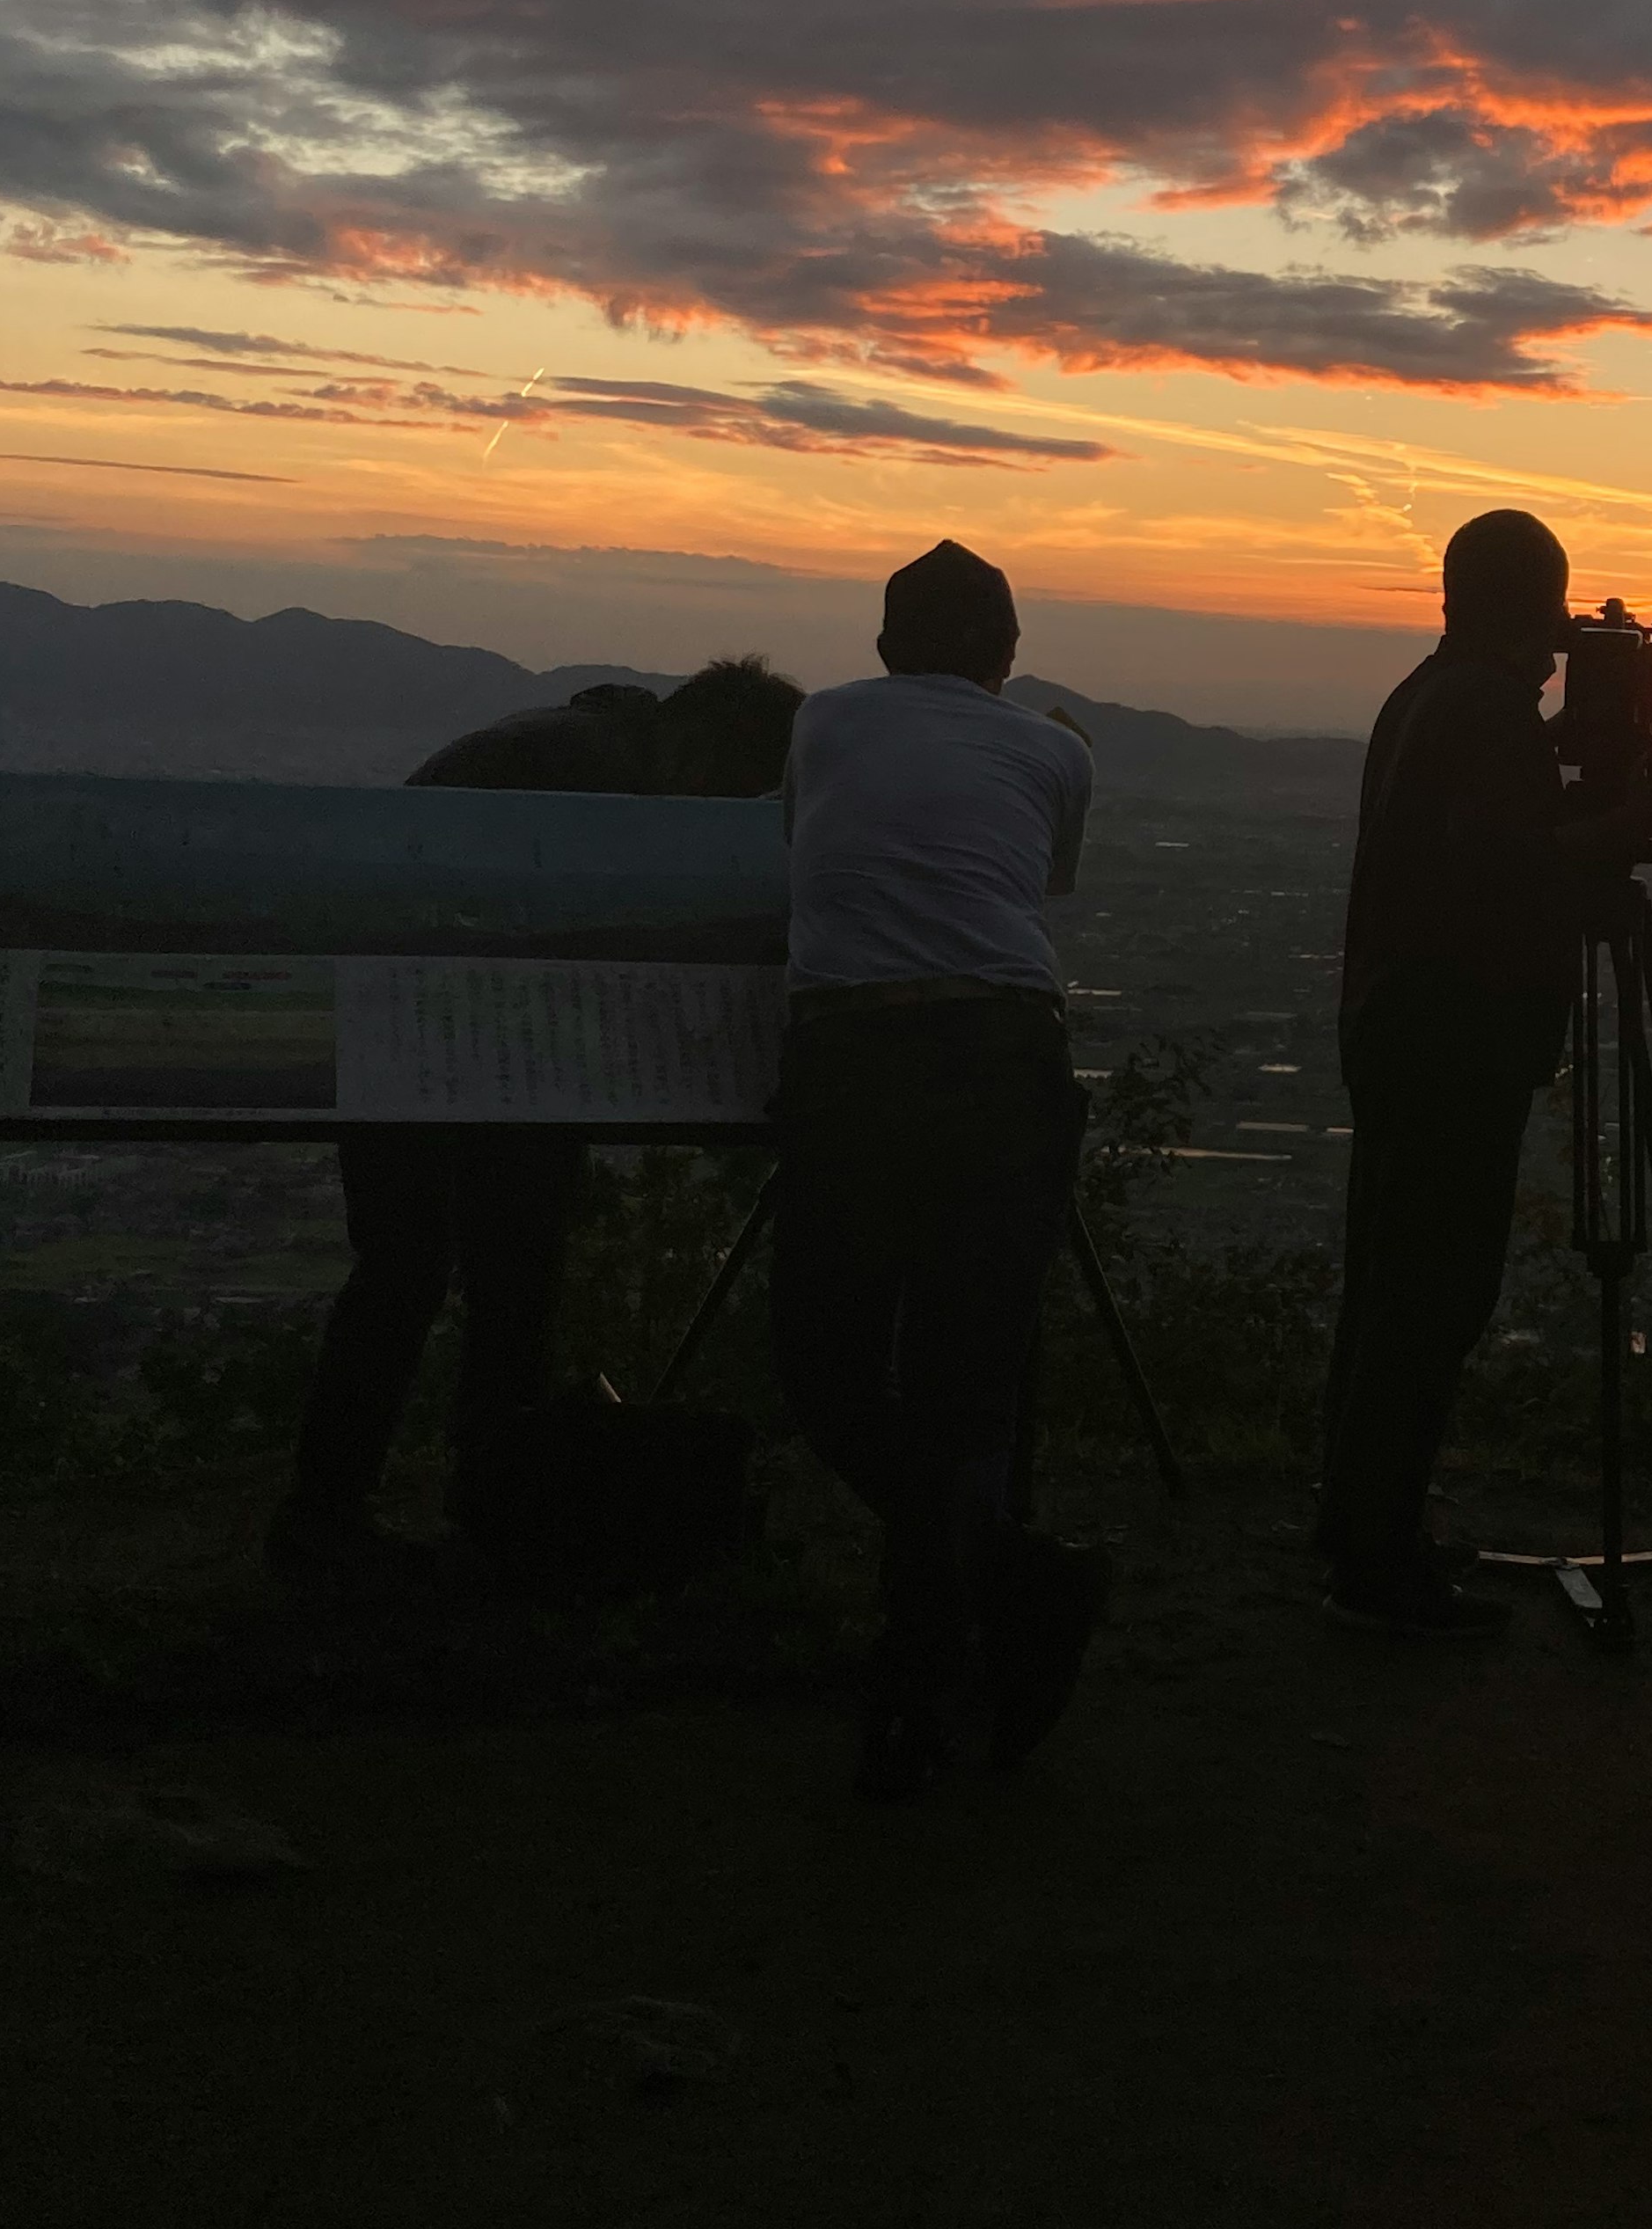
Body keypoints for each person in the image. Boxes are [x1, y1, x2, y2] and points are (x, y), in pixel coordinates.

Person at [269, 654, 802, 1588]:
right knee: (440, 1265)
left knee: (473, 1262)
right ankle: (380, 1514)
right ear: (705, 747)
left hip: (438, 1022)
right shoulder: (593, 777)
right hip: (437, 1028)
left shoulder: (576, 750)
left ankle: (437, 1508)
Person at [772, 537, 1103, 1799]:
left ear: (881, 648)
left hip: (849, 1055)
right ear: (1007, 657)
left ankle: (921, 1677)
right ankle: (998, 1595)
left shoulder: (821, 725)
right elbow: (1043, 883)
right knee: (966, 1384)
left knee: (824, 1365)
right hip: (1003, 1052)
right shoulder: (1056, 749)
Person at [1318, 509, 1652, 1633]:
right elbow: (1503, 864)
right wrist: (1622, 818)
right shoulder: (1480, 709)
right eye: (1556, 604)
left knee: (1393, 1287)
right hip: (1452, 1037)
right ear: (1524, 603)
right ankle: (1379, 1564)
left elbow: (1488, 832)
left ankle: (1364, 1532)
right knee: (1428, 1295)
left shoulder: (1432, 695)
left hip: (1406, 1029)